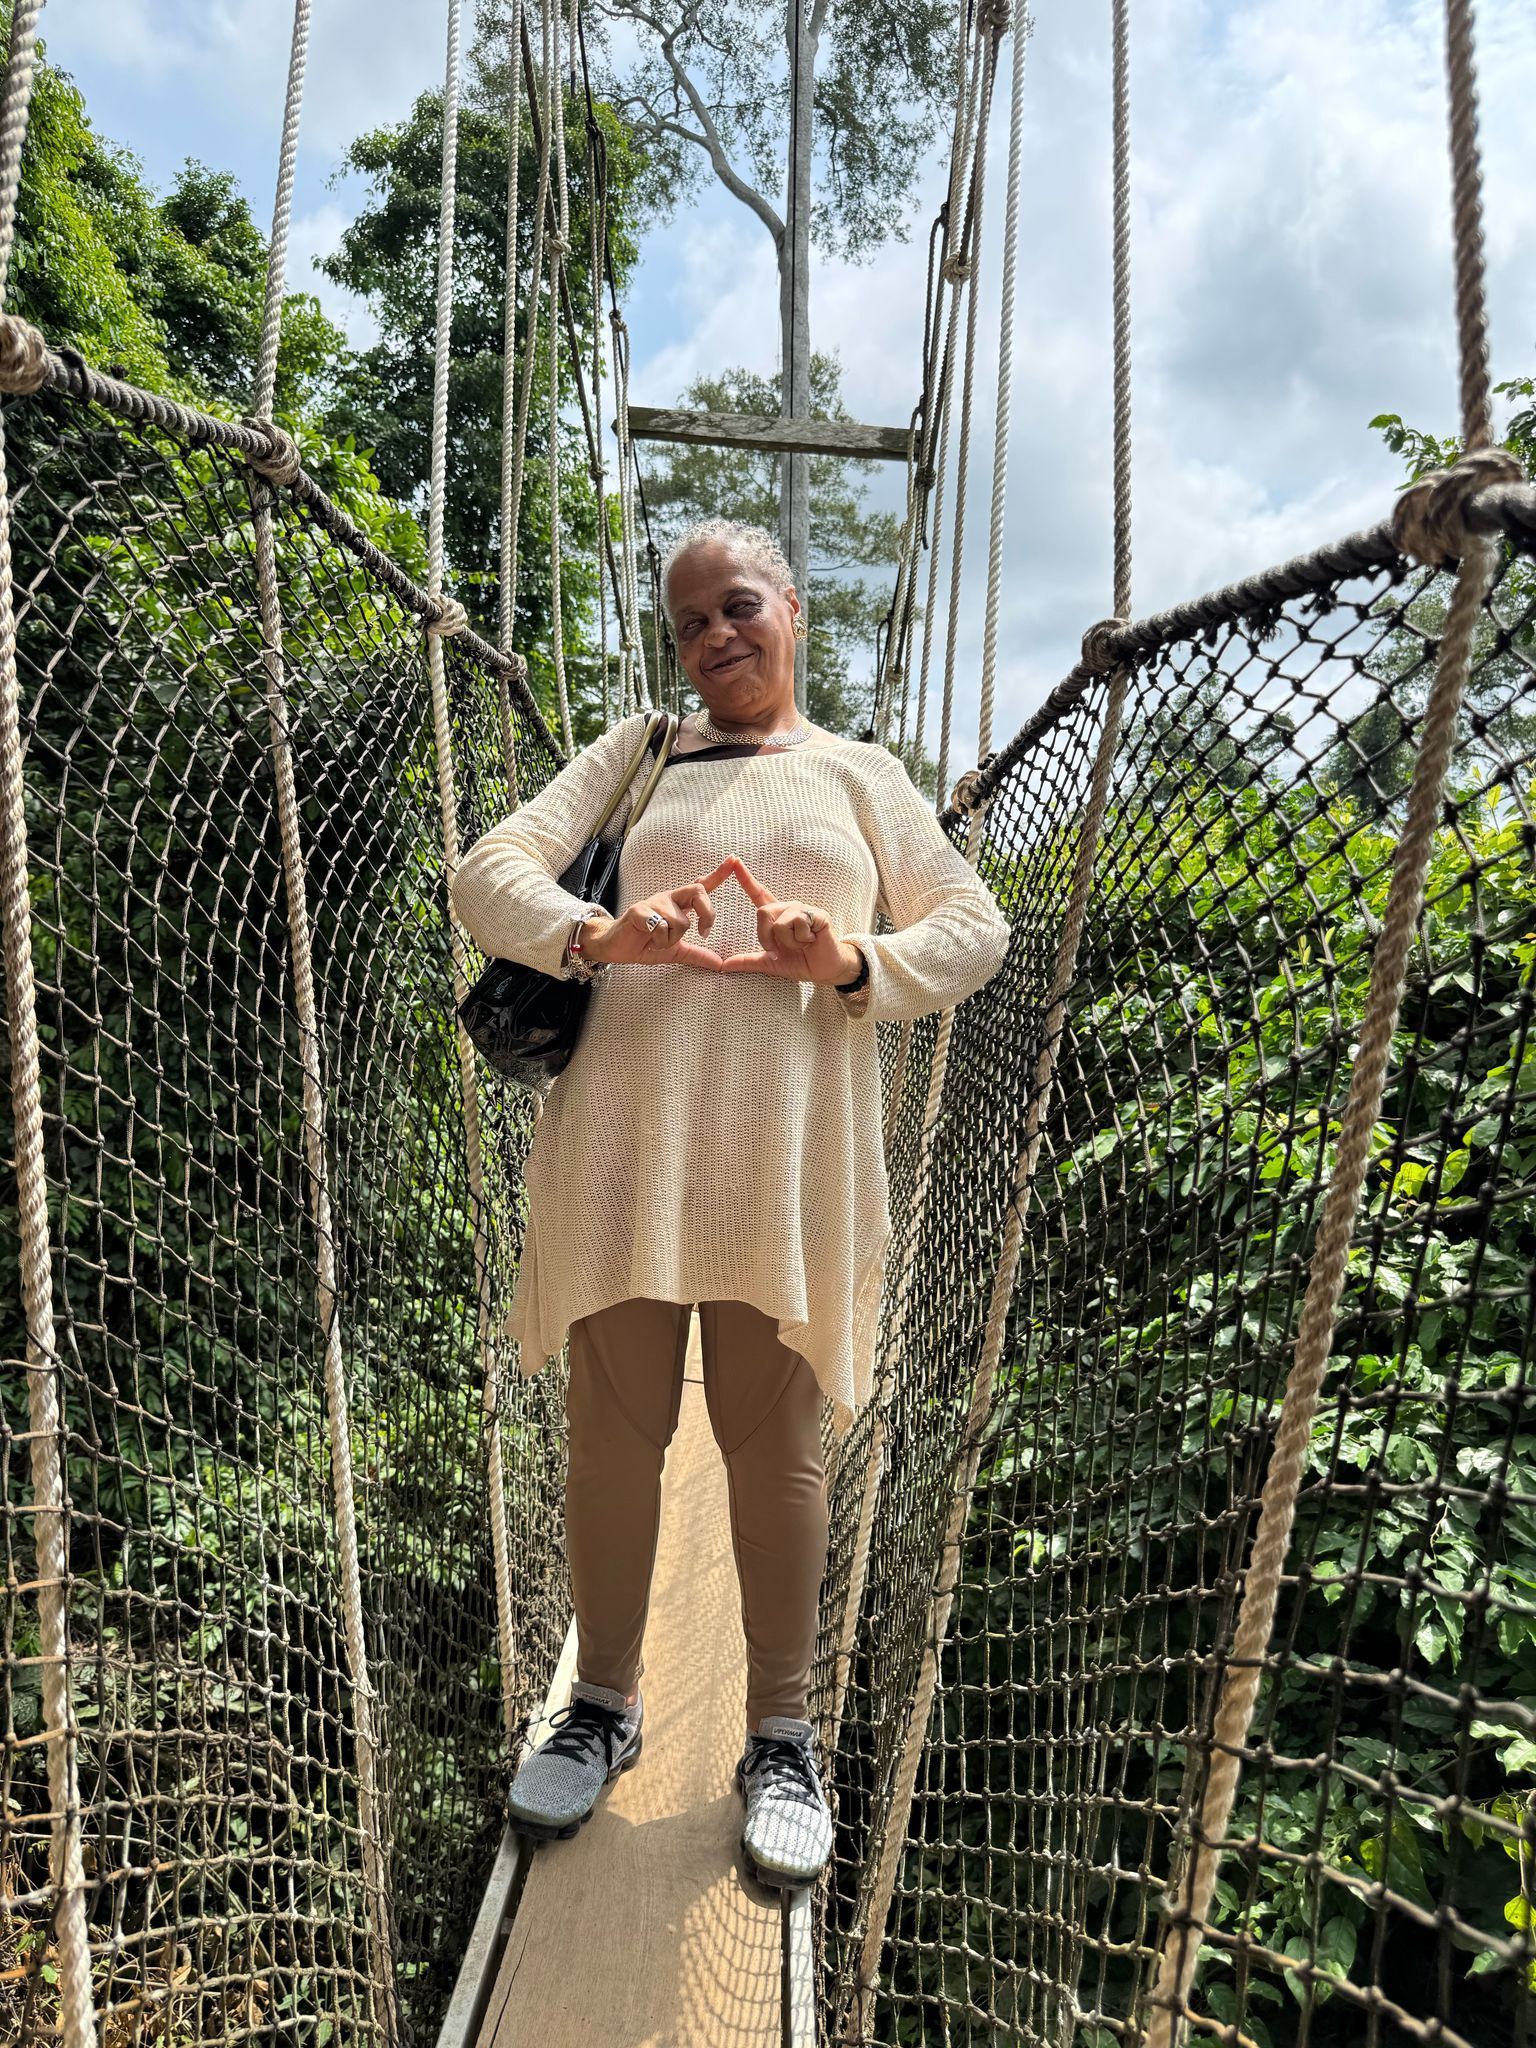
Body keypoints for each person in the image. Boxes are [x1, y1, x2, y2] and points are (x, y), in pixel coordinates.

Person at [449, 516, 1010, 1887]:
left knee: (780, 1457)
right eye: (689, 621)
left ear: (793, 609)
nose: (714, 638)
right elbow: (484, 876)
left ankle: (782, 1734)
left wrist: (856, 958)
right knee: (610, 1443)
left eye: (737, 606)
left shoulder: (863, 776)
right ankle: (601, 1708)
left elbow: (974, 927)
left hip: (784, 1165)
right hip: (622, 1155)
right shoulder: (636, 755)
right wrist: (599, 934)